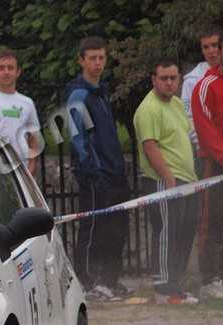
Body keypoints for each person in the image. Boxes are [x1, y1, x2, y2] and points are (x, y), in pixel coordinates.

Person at [64, 36, 132, 301]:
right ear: (81, 60)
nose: (97, 63)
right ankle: (89, 282)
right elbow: (77, 135)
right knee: (93, 228)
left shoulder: (101, 91)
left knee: (117, 228)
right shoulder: (78, 93)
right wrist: (91, 170)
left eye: (101, 58)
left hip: (114, 172)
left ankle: (110, 280)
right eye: (92, 58)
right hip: (94, 174)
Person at [133, 59, 199, 305]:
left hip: (187, 180)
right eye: (164, 78)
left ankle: (176, 284)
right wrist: (169, 179)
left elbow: (186, 137)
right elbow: (150, 147)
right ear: (154, 79)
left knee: (184, 230)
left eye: (173, 78)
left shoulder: (177, 104)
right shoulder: (148, 109)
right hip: (164, 182)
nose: (169, 82)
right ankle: (163, 287)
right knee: (166, 230)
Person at [192, 30, 223, 299]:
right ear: (219, 53)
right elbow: (205, 128)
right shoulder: (206, 85)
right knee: (212, 222)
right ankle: (210, 279)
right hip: (216, 164)